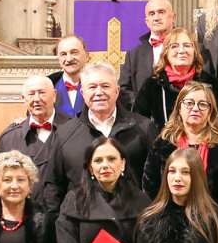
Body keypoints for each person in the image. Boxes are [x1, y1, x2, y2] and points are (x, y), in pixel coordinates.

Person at [38, 62, 158, 212]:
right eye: (92, 87)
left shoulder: (144, 128)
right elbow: (53, 189)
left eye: (105, 86)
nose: (99, 92)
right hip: (83, 226)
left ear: (117, 91)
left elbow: (157, 183)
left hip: (133, 224)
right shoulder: (64, 134)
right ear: (83, 93)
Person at [141, 82, 218, 202]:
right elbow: (150, 187)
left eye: (202, 104)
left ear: (211, 111)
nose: (195, 109)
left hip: (212, 215)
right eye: (189, 103)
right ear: (179, 108)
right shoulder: (162, 143)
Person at [131, 27, 218, 129]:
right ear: (166, 53)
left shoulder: (211, 84)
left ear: (195, 51)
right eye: (174, 46)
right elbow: (139, 124)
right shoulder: (151, 85)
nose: (181, 51)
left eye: (187, 45)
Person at [118, 0, 177, 110]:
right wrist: (142, 104)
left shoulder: (191, 48)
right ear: (147, 21)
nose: (156, 18)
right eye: (151, 14)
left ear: (173, 17)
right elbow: (123, 89)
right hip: (144, 120)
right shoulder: (133, 54)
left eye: (161, 12)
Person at [0, 76, 70, 164]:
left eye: (42, 93)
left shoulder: (74, 129)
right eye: (31, 94)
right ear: (24, 98)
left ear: (54, 95)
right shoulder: (10, 138)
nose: (37, 99)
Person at [51, 34, 91, 117]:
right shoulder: (49, 87)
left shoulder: (100, 87)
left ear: (87, 56)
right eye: (63, 54)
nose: (69, 59)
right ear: (58, 59)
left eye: (74, 53)